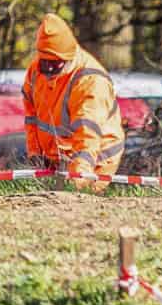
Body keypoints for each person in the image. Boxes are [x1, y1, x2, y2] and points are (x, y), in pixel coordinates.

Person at [23, 13, 126, 189]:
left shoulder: (90, 81)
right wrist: (35, 154)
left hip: (97, 158)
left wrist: (79, 176)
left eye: (54, 64)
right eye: (44, 61)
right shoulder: (35, 71)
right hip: (57, 157)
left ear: (67, 58)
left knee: (79, 205)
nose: (48, 69)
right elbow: (31, 116)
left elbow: (88, 135)